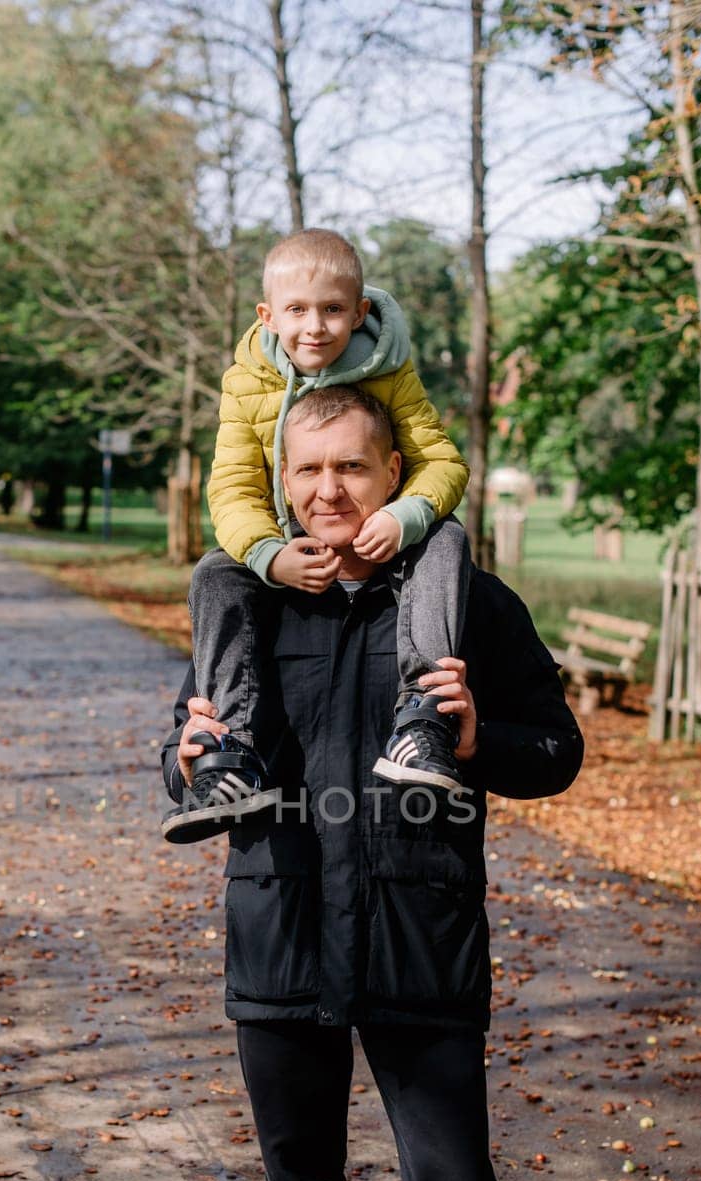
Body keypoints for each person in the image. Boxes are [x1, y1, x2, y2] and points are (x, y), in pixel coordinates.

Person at [160, 386, 584, 1181]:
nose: (329, 493)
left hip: (419, 941)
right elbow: (184, 749)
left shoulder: (463, 605)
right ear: (280, 477)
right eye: (309, 471)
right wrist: (185, 752)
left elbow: (558, 751)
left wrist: (474, 737)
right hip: (280, 932)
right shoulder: (247, 602)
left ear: (394, 470)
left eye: (353, 468)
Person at [163, 228, 471, 846]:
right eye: (297, 310)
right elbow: (231, 489)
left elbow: (443, 463)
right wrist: (270, 557)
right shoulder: (245, 382)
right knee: (214, 572)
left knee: (447, 539)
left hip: (386, 539)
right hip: (277, 546)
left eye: (333, 310)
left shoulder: (389, 371)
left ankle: (424, 716)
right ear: (267, 315)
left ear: (360, 312)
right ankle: (232, 747)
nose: (315, 327)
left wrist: (405, 514)